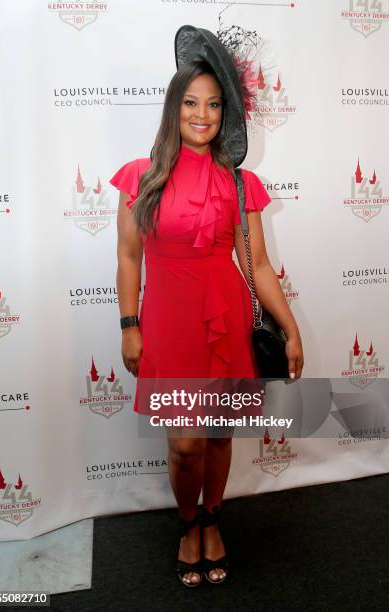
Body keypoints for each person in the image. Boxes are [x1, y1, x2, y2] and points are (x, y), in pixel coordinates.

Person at [110, 25, 304, 588]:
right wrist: (129, 324)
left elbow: (258, 266)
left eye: (214, 104)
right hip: (168, 325)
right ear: (174, 109)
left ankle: (213, 518)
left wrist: (289, 329)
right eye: (191, 103)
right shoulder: (139, 178)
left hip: (225, 317)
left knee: (219, 434)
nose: (202, 114)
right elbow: (128, 259)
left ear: (227, 113)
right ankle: (186, 522)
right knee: (185, 443)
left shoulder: (241, 183)